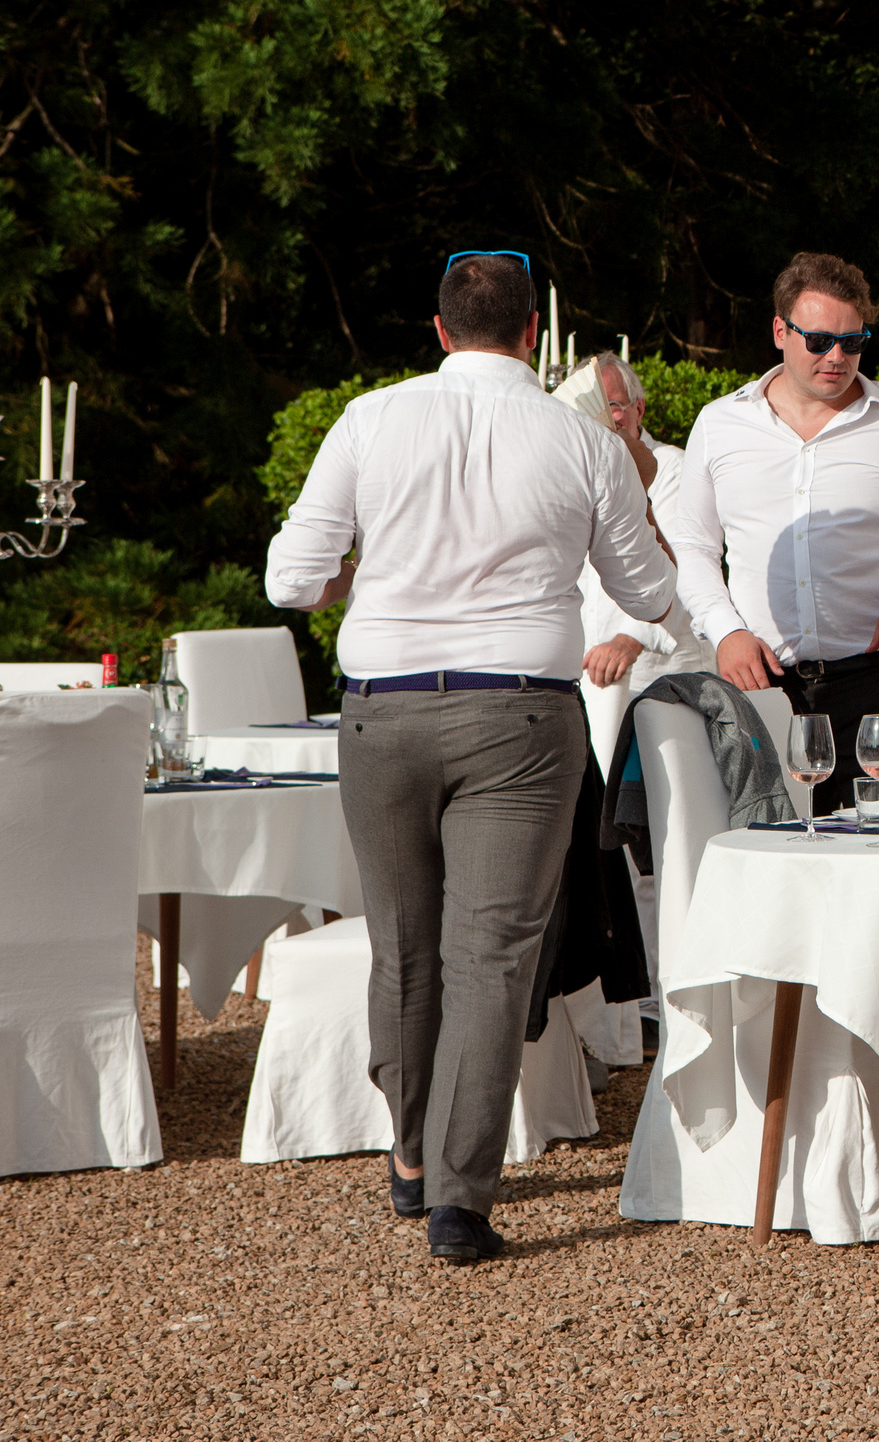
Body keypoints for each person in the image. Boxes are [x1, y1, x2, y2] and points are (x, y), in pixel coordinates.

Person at [264, 252, 675, 1264]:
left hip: (384, 714)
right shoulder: (581, 439)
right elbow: (650, 591)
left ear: (440, 330)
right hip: (522, 719)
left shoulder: (370, 420)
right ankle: (460, 1203)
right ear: (535, 334)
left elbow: (290, 579)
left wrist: (358, 578)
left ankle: (406, 1163)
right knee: (489, 962)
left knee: (402, 946)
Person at [665, 251, 879, 810]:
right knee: (779, 871)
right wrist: (724, 631)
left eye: (853, 341)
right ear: (779, 331)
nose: (837, 357)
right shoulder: (719, 424)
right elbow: (692, 547)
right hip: (763, 688)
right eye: (818, 340)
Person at [575, 351, 713, 701]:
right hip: (588, 679)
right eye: (591, 409)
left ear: (640, 409)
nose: (605, 419)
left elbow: (682, 560)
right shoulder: (575, 472)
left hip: (661, 676)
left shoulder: (672, 468)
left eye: (613, 405)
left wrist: (627, 640)